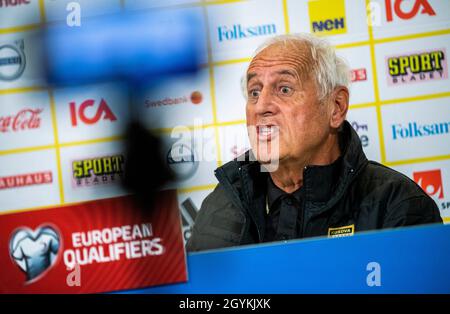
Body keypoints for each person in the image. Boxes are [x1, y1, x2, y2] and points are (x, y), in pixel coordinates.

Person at [186, 33, 442, 252]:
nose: (261, 106)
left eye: (284, 89)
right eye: (254, 92)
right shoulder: (220, 206)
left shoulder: (398, 204)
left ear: (336, 107)